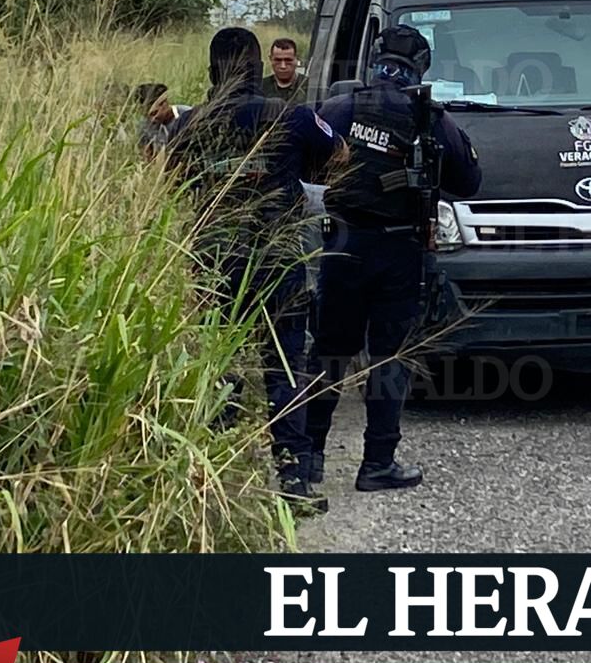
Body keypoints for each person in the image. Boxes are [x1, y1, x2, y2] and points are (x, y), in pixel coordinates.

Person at [167, 27, 343, 511]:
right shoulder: (291, 115)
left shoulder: (190, 125)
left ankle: (221, 484)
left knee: (218, 367)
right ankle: (293, 482)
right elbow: (340, 158)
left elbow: (171, 181)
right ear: (255, 66)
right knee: (284, 366)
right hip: (278, 258)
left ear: (212, 70)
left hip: (217, 260)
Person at [306, 25, 482, 491]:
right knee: (391, 356)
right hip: (400, 249)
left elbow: (305, 161)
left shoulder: (342, 106)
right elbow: (469, 182)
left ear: (375, 58)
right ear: (421, 68)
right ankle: (377, 463)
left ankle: (309, 458)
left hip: (342, 246)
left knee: (328, 351)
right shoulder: (431, 119)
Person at [261, 37, 309, 103]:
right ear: (270, 59)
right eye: (278, 60)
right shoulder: (260, 87)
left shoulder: (309, 86)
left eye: (288, 60)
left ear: (296, 59)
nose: (283, 66)